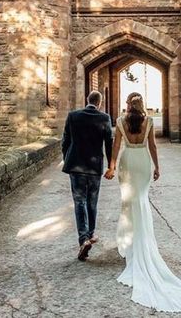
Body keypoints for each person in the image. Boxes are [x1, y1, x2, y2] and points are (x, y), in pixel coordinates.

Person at [104, 92, 181, 312]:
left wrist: (111, 166)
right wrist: (157, 167)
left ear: (129, 105)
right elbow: (153, 147)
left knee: (128, 202)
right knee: (141, 201)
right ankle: (140, 241)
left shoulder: (120, 121)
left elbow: (116, 147)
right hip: (142, 161)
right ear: (142, 105)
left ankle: (130, 244)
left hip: (128, 161)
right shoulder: (148, 121)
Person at [62, 91, 113, 261]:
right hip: (94, 167)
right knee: (92, 202)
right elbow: (109, 144)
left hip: (76, 166)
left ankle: (83, 238)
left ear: (87, 101)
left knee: (79, 202)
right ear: (100, 102)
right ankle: (90, 234)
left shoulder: (73, 116)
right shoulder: (105, 118)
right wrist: (110, 166)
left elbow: (65, 141)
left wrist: (67, 159)